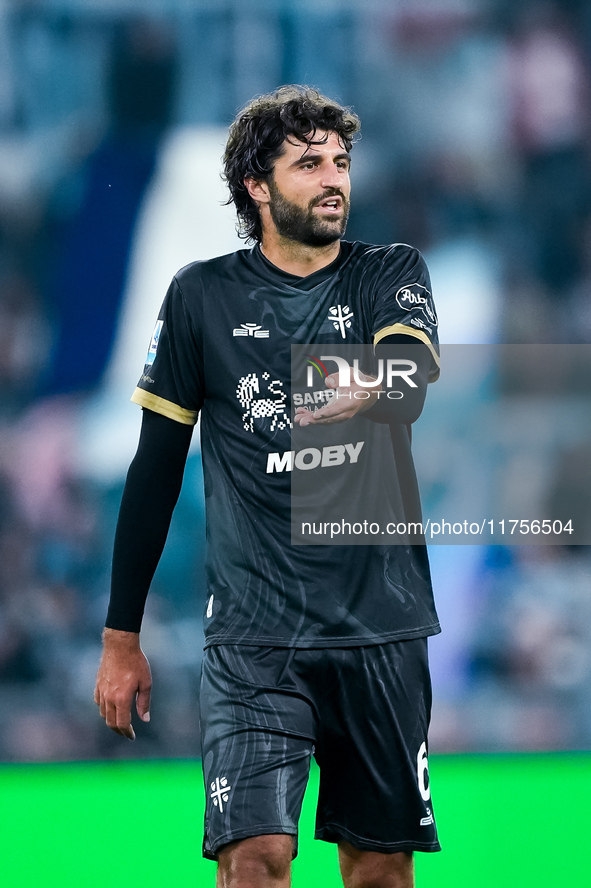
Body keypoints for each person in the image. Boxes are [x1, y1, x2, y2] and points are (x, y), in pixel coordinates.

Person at [95, 85, 441, 888]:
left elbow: (408, 379)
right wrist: (120, 638)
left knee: (379, 871)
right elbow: (153, 471)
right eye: (309, 163)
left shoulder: (388, 272)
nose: (334, 180)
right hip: (254, 637)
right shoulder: (200, 296)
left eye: (341, 163)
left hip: (378, 627)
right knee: (254, 859)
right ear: (257, 186)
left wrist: (273, 394)